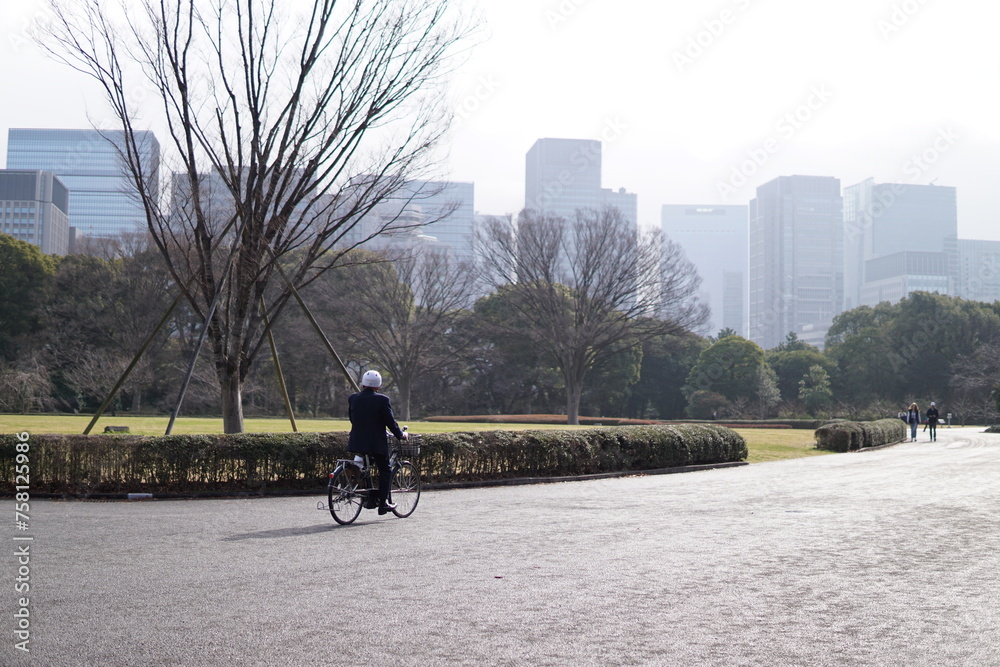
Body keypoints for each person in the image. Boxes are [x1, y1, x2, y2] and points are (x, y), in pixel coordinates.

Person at [347, 370, 407, 515]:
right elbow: (390, 422)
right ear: (378, 386)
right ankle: (383, 504)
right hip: (376, 442)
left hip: (356, 440)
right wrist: (401, 435)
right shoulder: (382, 400)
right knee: (385, 470)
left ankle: (361, 485)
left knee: (364, 463)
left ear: (362, 384)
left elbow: (352, 418)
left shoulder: (353, 398)